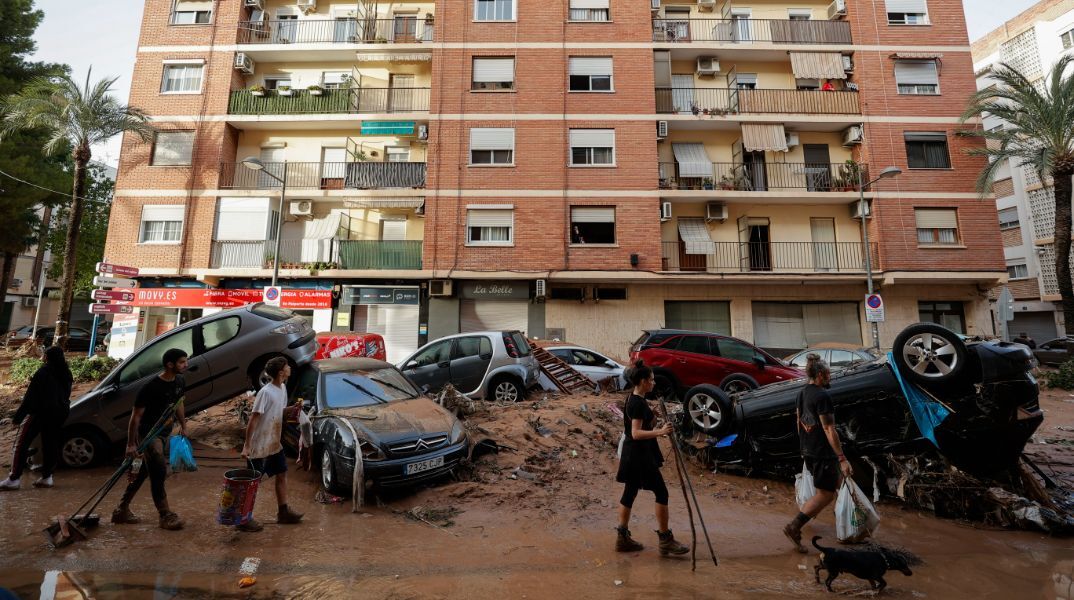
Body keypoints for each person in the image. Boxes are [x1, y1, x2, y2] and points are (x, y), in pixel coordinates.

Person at [613, 360, 689, 557]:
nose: (654, 383)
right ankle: (665, 540)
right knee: (661, 493)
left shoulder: (635, 398)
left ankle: (622, 538)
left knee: (630, 493)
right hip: (639, 456)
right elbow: (636, 433)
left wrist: (653, 417)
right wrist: (660, 431)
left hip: (635, 454)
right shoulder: (637, 403)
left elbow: (641, 424)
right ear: (643, 381)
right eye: (651, 380)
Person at [111, 348, 188, 531]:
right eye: (182, 362)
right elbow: (135, 417)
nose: (186, 365)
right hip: (149, 434)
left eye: (185, 361)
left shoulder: (180, 381)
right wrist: (131, 444)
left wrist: (184, 426)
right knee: (159, 471)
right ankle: (165, 515)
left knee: (144, 472)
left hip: (164, 431)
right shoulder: (151, 387)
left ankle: (121, 509)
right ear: (170, 364)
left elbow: (179, 403)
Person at [783, 354, 853, 553]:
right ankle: (794, 526)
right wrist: (842, 458)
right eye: (829, 374)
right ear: (821, 375)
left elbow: (799, 421)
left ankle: (851, 525)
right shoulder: (823, 396)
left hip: (809, 450)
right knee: (825, 494)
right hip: (823, 453)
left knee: (842, 483)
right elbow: (829, 429)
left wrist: (803, 449)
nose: (831, 377)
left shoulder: (802, 393)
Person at [239, 357, 303, 532]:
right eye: (287, 366)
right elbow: (254, 419)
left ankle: (283, 512)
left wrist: (292, 410)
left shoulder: (282, 388)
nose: (290, 368)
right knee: (252, 483)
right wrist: (247, 445)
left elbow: (279, 412)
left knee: (281, 474)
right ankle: (243, 519)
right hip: (259, 444)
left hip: (274, 443)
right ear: (281, 372)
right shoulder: (265, 392)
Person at [0, 346, 73, 490]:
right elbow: (66, 394)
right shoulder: (66, 373)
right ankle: (47, 477)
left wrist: (17, 418)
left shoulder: (43, 372)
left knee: (20, 445)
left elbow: (30, 397)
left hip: (39, 413)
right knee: (50, 444)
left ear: (47, 357)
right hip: (60, 413)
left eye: (45, 355)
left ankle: (14, 478)